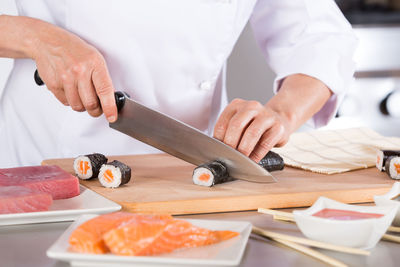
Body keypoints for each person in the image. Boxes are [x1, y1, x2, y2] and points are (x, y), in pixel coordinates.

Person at [0, 0, 357, 168]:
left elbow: (320, 36)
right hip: (50, 170)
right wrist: (36, 37)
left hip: (198, 172)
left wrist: (281, 113)